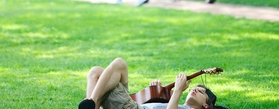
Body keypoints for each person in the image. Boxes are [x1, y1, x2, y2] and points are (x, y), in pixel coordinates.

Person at [78, 58, 228, 109]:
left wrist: (178, 91)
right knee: (95, 72)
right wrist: (155, 91)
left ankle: (91, 101)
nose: (194, 90)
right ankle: (92, 103)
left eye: (200, 92)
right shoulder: (176, 104)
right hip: (132, 104)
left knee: (118, 63)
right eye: (194, 89)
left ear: (205, 106)